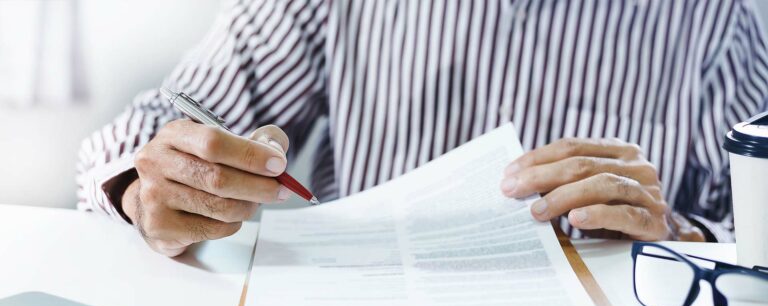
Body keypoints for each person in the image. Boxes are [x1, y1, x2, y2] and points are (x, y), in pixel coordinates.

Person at [77, 0, 768, 256]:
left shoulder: (714, 18)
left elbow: (755, 232)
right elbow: (136, 138)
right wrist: (148, 191)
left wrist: (681, 235)